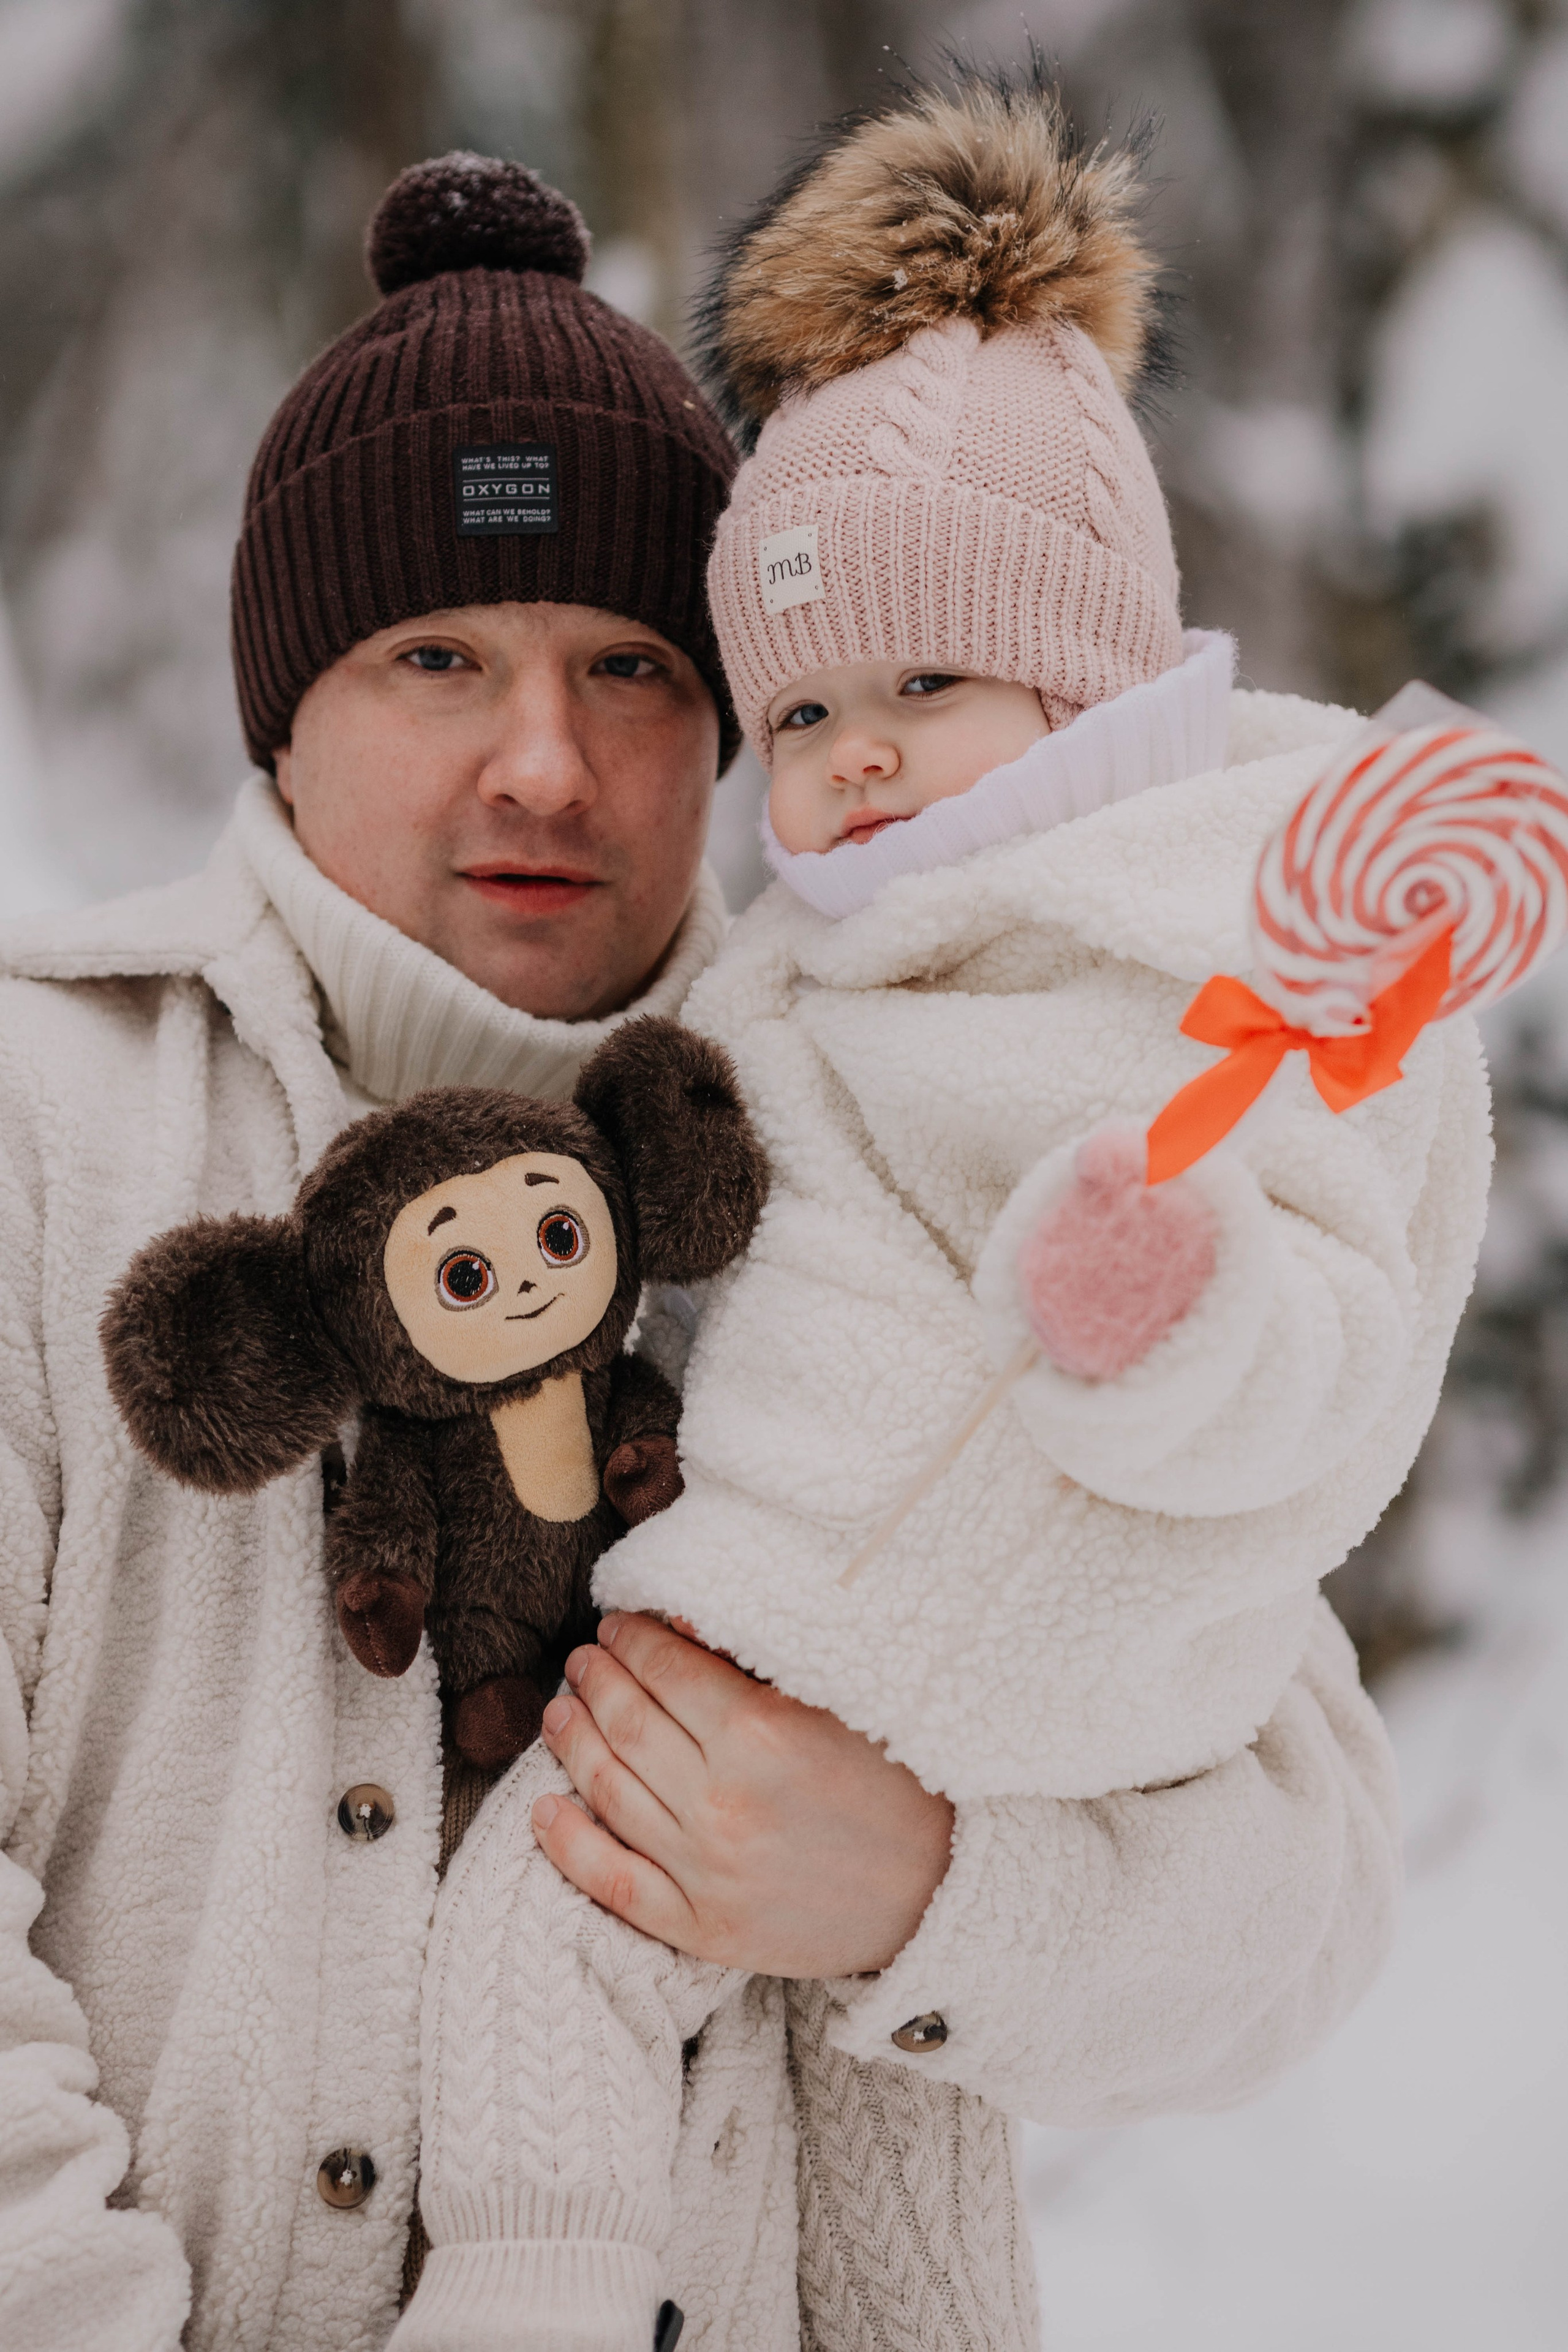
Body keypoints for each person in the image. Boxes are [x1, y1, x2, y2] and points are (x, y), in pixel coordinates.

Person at [0, 149, 1401, 2352]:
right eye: (439, 654)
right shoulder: (42, 1120)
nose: (544, 764)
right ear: (286, 700)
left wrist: (927, 1895)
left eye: (635, 667)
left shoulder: (899, 1103)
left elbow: (1303, 1884)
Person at [386, 86, 1487, 2349]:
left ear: (1089, 680)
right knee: (883, 2166)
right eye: (800, 707)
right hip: (810, 1659)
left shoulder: (1197, 954)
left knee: (571, 1932)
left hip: (894, 1645)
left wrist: (1176, 1323)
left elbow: (1321, 1391)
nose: (854, 757)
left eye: (922, 688)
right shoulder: (798, 978)